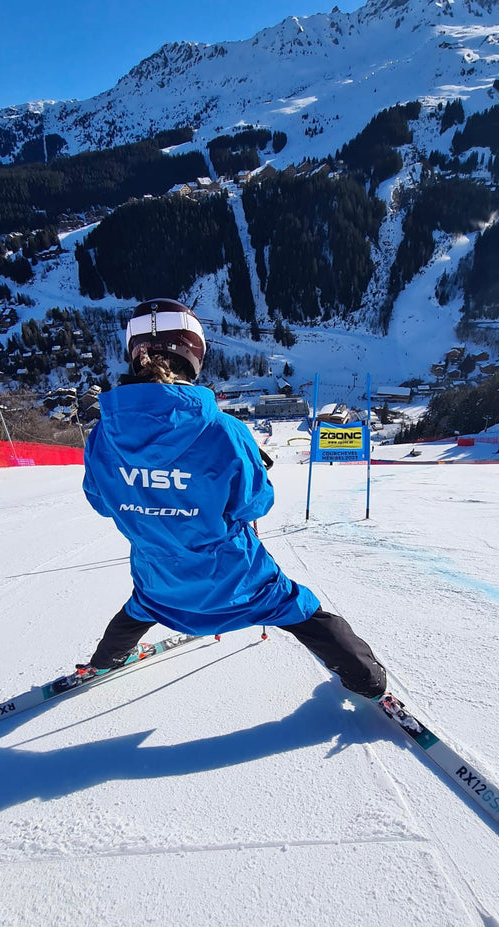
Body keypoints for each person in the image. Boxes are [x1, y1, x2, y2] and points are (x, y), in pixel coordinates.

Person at [80, 298, 386, 699]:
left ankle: (103, 662)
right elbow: (255, 504)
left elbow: (102, 501)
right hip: (238, 586)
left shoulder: (104, 435)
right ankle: (368, 680)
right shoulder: (224, 431)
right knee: (301, 610)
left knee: (138, 609)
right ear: (194, 354)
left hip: (161, 586)